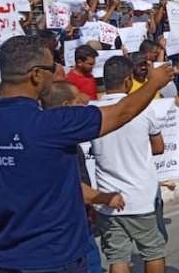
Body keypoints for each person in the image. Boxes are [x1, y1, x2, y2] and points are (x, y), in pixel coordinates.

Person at [0, 35, 174, 273]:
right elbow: (121, 112)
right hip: (58, 258)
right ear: (36, 74)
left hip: (5, 261)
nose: (58, 72)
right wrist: (153, 84)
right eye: (51, 68)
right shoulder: (53, 124)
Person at [89, 57, 167, 273]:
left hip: (107, 198)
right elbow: (159, 147)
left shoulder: (92, 111)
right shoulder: (144, 109)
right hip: (141, 197)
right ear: (128, 81)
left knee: (117, 258)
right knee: (153, 252)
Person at [39, 81, 126, 273]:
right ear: (66, 107)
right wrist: (104, 198)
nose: (85, 105)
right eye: (79, 100)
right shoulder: (61, 146)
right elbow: (73, 187)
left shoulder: (46, 137)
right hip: (71, 233)